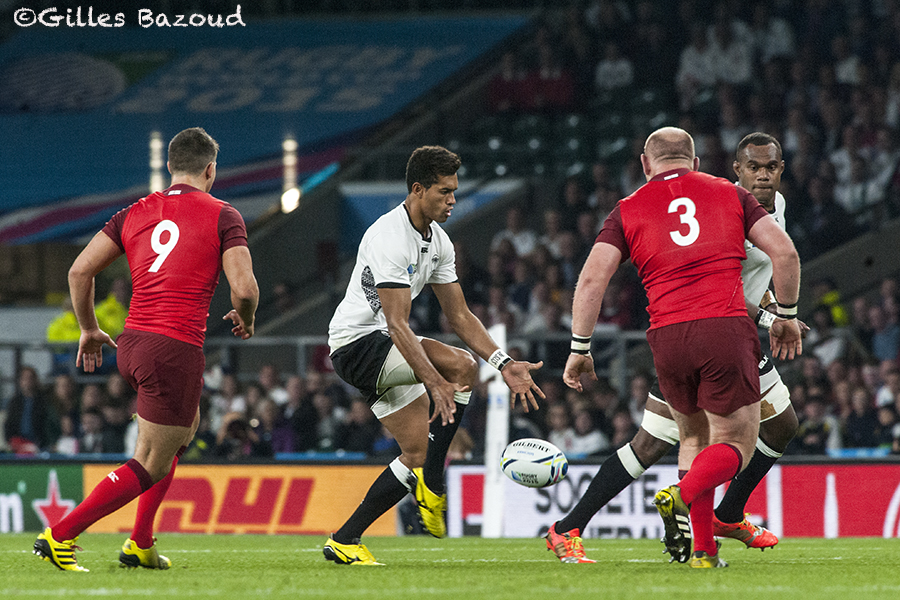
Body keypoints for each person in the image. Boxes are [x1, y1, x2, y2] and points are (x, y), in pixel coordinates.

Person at [553, 128, 802, 569]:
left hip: (669, 334)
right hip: (726, 331)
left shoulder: (630, 208)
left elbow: (592, 277)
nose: (763, 176)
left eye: (770, 167)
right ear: (724, 167)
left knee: (705, 436)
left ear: (645, 164)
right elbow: (778, 259)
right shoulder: (727, 198)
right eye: (754, 168)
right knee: (689, 442)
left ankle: (710, 539)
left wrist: (580, 346)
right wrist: (780, 317)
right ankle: (684, 506)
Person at [33, 127, 259, 572]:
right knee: (151, 460)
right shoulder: (223, 214)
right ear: (210, 169)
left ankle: (140, 542)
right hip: (173, 347)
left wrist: (89, 328)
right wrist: (247, 318)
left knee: (182, 432)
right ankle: (59, 535)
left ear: (171, 166)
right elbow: (245, 289)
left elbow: (79, 272)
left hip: (133, 343)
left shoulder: (133, 212)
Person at [323, 145, 545, 565]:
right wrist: (435, 381)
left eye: (454, 191)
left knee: (416, 452)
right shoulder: (390, 237)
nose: (453, 200)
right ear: (418, 189)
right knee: (461, 366)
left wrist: (504, 363)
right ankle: (435, 484)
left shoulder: (439, 241)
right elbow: (397, 324)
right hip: (358, 344)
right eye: (445, 191)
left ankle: (345, 540)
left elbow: (459, 315)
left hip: (383, 347)